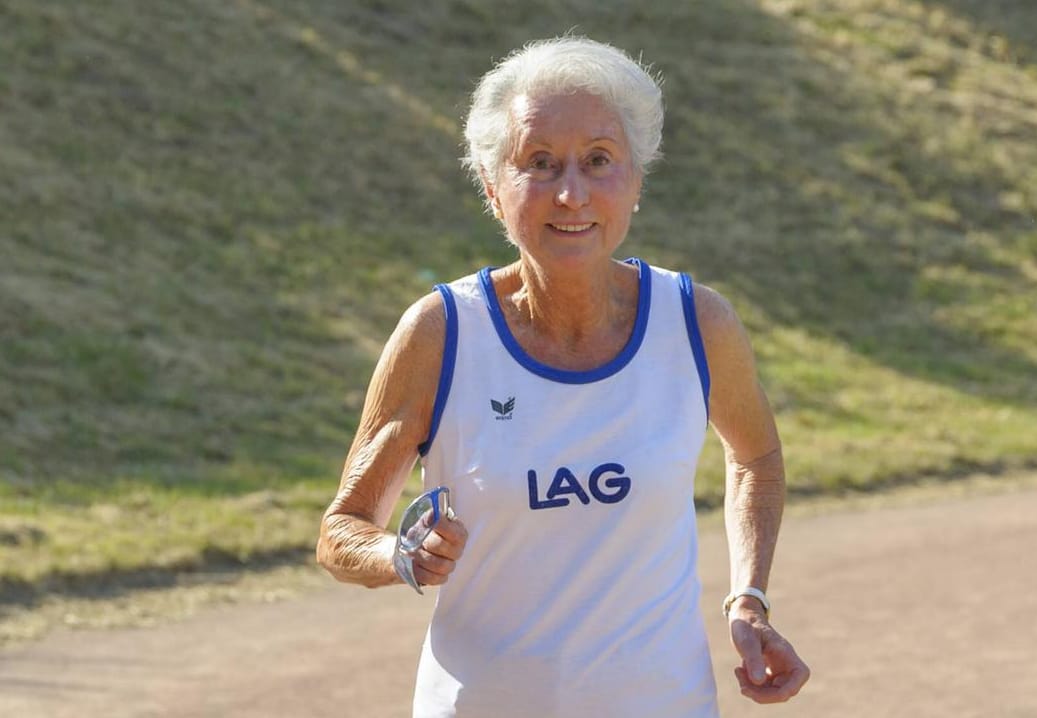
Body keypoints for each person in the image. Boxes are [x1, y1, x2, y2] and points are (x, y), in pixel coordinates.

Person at [317, 36, 810, 717]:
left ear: (636, 181)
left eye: (599, 161)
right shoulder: (441, 333)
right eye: (539, 163)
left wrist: (747, 599)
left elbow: (755, 457)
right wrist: (398, 554)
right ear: (493, 190)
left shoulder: (696, 323)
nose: (571, 193)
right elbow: (342, 529)